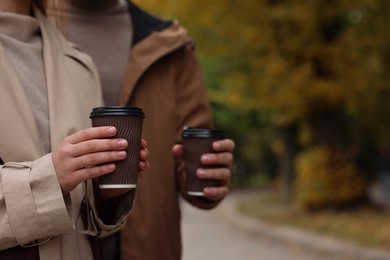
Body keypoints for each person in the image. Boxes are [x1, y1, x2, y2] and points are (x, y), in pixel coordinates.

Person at [54, 0, 235, 259]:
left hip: (147, 245)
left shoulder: (169, 43)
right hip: (58, 240)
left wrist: (211, 172)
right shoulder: (25, 30)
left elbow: (193, 156)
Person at [0, 0, 149, 259]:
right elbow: (55, 179)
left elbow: (86, 224)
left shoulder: (80, 64)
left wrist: (107, 194)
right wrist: (50, 179)